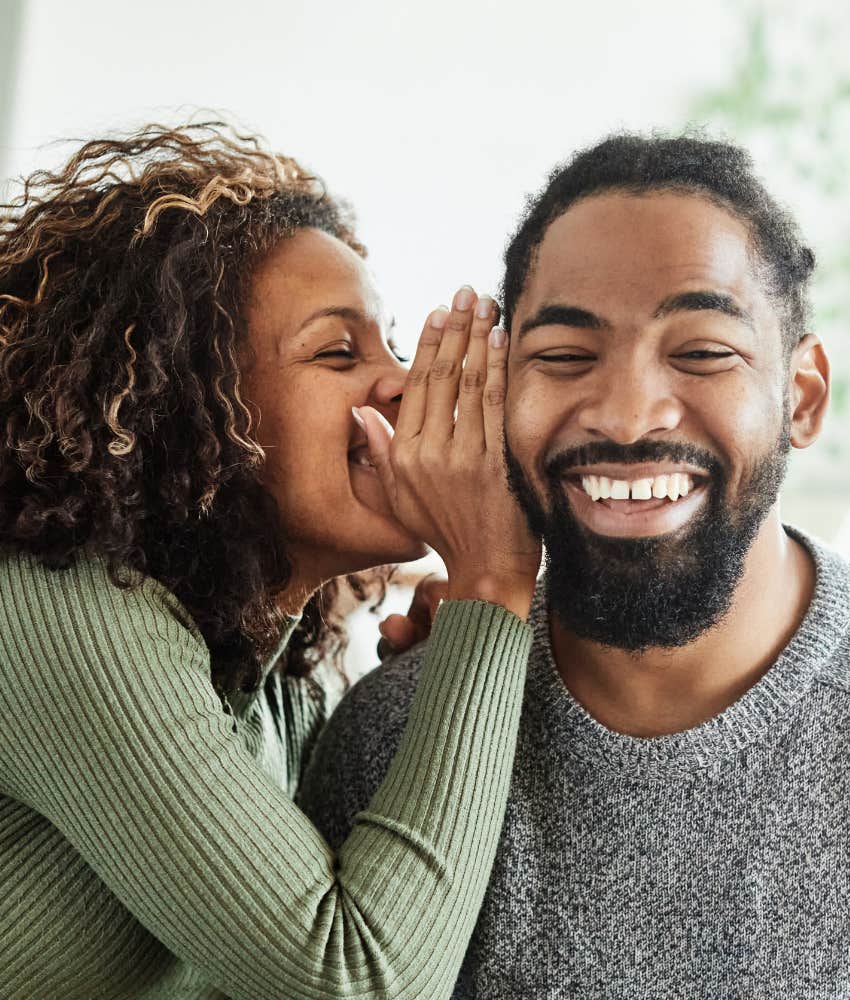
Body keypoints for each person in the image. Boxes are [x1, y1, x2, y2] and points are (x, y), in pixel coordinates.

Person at [300, 134, 850, 999]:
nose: (628, 414)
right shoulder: (390, 744)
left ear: (803, 398)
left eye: (703, 351)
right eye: (563, 356)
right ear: (494, 387)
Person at [0, 123, 542, 999]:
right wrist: (492, 587)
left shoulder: (279, 679)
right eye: (339, 351)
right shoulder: (62, 612)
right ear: (185, 404)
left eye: (392, 345)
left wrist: (424, 701)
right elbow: (359, 979)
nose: (402, 383)